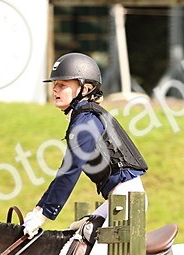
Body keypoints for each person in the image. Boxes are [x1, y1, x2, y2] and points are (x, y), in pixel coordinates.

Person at [22, 52, 149, 239]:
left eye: (62, 85)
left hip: (127, 200)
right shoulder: (83, 117)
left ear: (85, 88)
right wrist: (39, 208)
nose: (55, 90)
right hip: (118, 199)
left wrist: (43, 215)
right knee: (73, 231)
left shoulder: (85, 123)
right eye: (54, 85)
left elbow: (70, 171)